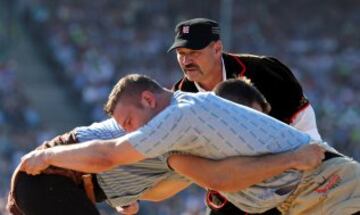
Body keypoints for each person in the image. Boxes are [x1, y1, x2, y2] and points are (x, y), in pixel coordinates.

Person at [19, 74, 360, 215]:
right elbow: (109, 155)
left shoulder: (177, 130)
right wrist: (47, 155)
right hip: (58, 176)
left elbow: (164, 186)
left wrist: (126, 193)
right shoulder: (169, 124)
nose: (251, 130)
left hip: (319, 188)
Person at [168, 17, 322, 214]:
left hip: (284, 189)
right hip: (228, 198)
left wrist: (312, 178)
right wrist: (131, 193)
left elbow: (305, 125)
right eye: (181, 53)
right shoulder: (180, 97)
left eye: (194, 53)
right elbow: (177, 159)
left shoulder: (265, 71)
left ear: (217, 49)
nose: (186, 60)